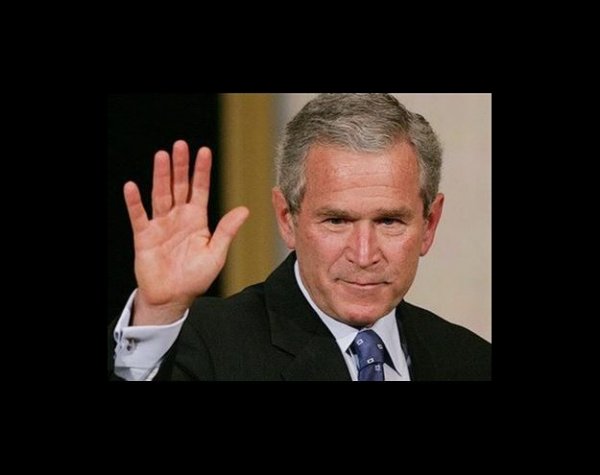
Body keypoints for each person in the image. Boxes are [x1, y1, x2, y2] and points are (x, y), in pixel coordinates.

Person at [108, 93, 491, 381]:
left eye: (389, 221)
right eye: (336, 221)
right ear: (287, 219)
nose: (364, 254)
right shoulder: (207, 345)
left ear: (429, 224)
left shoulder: (471, 360)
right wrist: (159, 312)